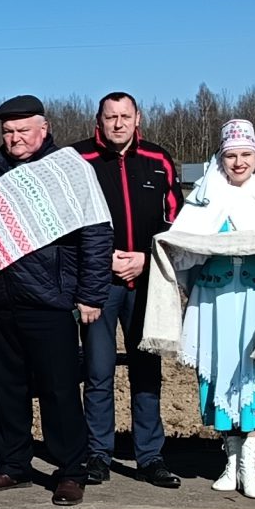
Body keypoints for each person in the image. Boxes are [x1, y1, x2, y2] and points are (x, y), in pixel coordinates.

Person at [151, 119, 255, 500]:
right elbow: (185, 247)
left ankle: (250, 466)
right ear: (221, 158)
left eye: (246, 154)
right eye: (231, 156)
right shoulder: (205, 197)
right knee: (222, 371)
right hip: (216, 299)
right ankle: (230, 462)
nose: (239, 162)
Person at [0, 95, 113, 507]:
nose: (15, 138)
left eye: (23, 131)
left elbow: (96, 232)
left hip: (50, 296)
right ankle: (13, 465)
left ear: (43, 129)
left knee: (58, 389)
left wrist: (91, 294)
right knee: (4, 387)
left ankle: (71, 471)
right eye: (8, 132)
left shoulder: (68, 168)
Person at [70, 91, 185, 488]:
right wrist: (100, 260)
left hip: (147, 283)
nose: (118, 123)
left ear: (138, 119)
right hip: (99, 284)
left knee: (146, 369)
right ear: (98, 121)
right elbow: (67, 224)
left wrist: (147, 258)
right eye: (110, 117)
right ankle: (97, 455)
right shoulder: (79, 160)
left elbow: (175, 223)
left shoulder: (158, 159)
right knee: (98, 371)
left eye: (125, 116)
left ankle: (150, 457)